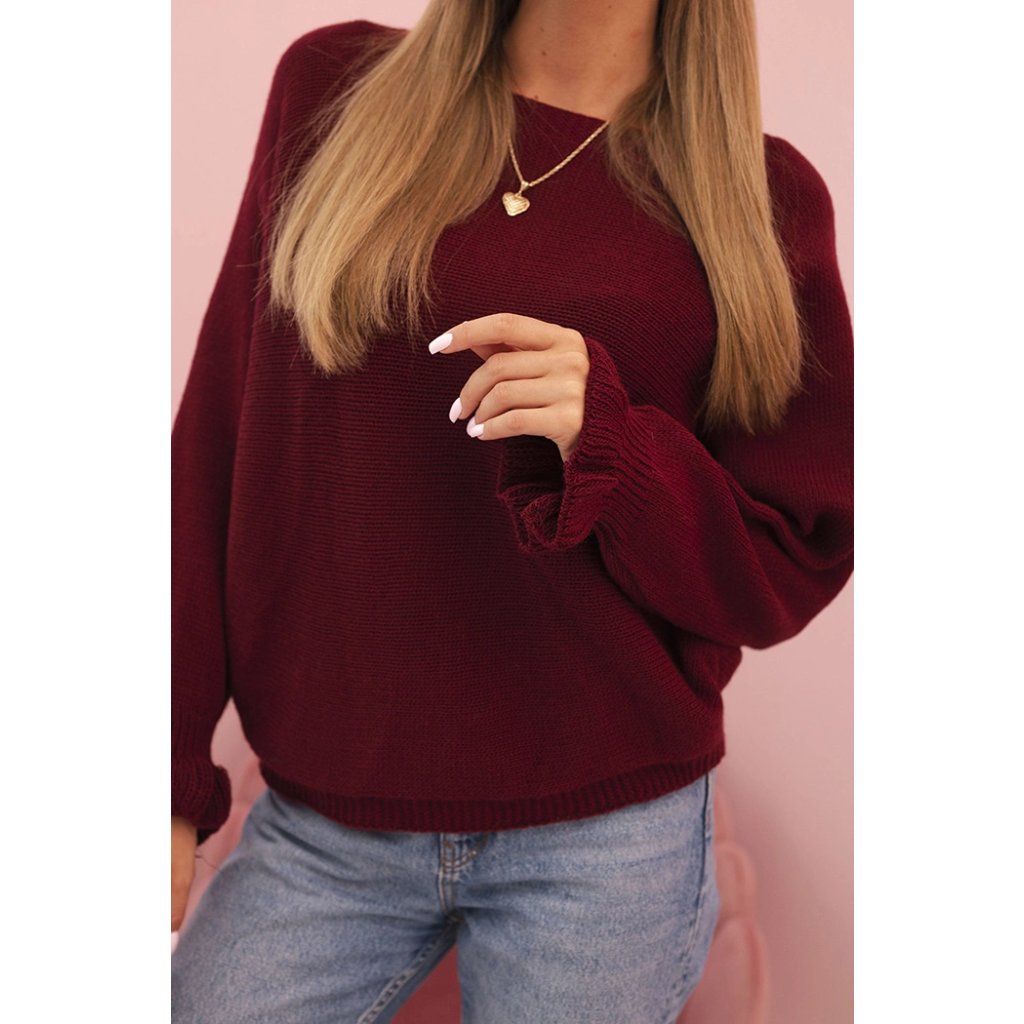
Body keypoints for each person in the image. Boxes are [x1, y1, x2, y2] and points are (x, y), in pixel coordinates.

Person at [171, 1, 853, 1020]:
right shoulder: (334, 91)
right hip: (327, 823)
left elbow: (790, 553)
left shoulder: (760, 199)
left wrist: (613, 446)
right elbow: (214, 443)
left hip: (608, 840)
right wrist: (166, 768)